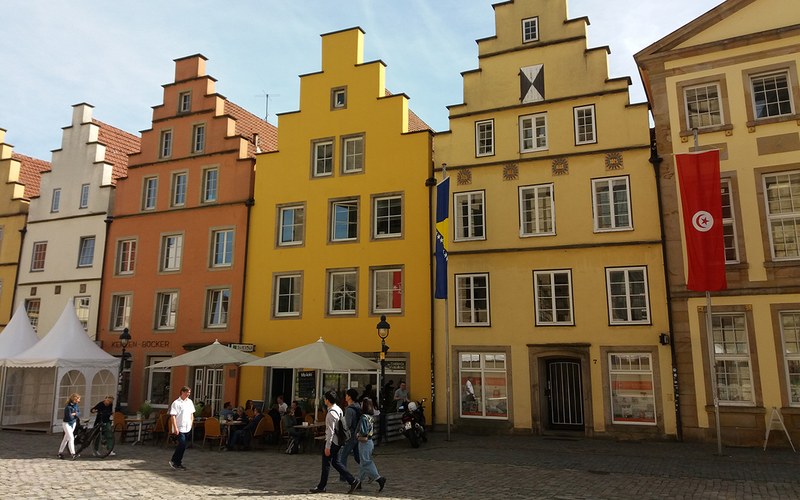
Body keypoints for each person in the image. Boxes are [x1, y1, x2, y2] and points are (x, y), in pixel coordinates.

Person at [309, 390, 359, 494]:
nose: (324, 401)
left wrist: (327, 446)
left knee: (326, 464)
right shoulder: (339, 409)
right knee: (336, 463)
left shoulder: (330, 414)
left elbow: (330, 432)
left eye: (325, 399)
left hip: (332, 442)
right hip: (339, 441)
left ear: (327, 400)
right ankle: (352, 480)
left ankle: (322, 486)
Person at [356, 398, 386, 492]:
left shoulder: (364, 417)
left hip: (364, 442)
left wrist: (357, 435)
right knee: (363, 463)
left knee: (366, 462)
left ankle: (378, 478)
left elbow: (364, 432)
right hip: (370, 442)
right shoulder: (370, 417)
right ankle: (358, 482)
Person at [168, 386, 194, 470]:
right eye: (187, 392)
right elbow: (173, 416)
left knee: (183, 445)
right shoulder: (176, 403)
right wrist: (175, 428)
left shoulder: (189, 402)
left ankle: (177, 462)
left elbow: (191, 414)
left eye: (189, 392)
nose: (188, 394)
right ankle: (175, 461)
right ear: (182, 392)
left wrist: (191, 423)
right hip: (180, 427)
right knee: (182, 444)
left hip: (187, 427)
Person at [338, 388, 361, 476]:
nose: (345, 397)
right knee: (357, 457)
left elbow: (347, 424)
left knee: (342, 456)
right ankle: (370, 473)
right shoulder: (357, 406)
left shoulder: (349, 409)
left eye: (347, 395)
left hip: (350, 435)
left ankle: (344, 476)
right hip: (356, 434)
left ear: (349, 397)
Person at [58, 393, 81, 460]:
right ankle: (73, 453)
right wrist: (75, 415)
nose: (79, 401)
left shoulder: (76, 405)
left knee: (66, 439)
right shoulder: (68, 407)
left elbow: (79, 413)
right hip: (67, 423)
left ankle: (60, 452)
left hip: (73, 423)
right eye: (78, 399)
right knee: (71, 438)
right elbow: (69, 417)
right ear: (75, 399)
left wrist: (75, 414)